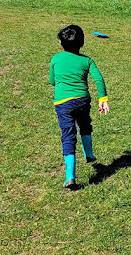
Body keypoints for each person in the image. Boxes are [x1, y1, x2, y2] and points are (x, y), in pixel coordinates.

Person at [49, 25, 109, 189]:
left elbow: (52, 81)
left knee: (68, 135)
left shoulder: (56, 59)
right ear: (82, 43)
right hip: (82, 101)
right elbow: (99, 79)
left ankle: (70, 177)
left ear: (61, 43)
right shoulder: (87, 60)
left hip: (62, 103)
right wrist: (103, 98)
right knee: (85, 124)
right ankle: (88, 154)